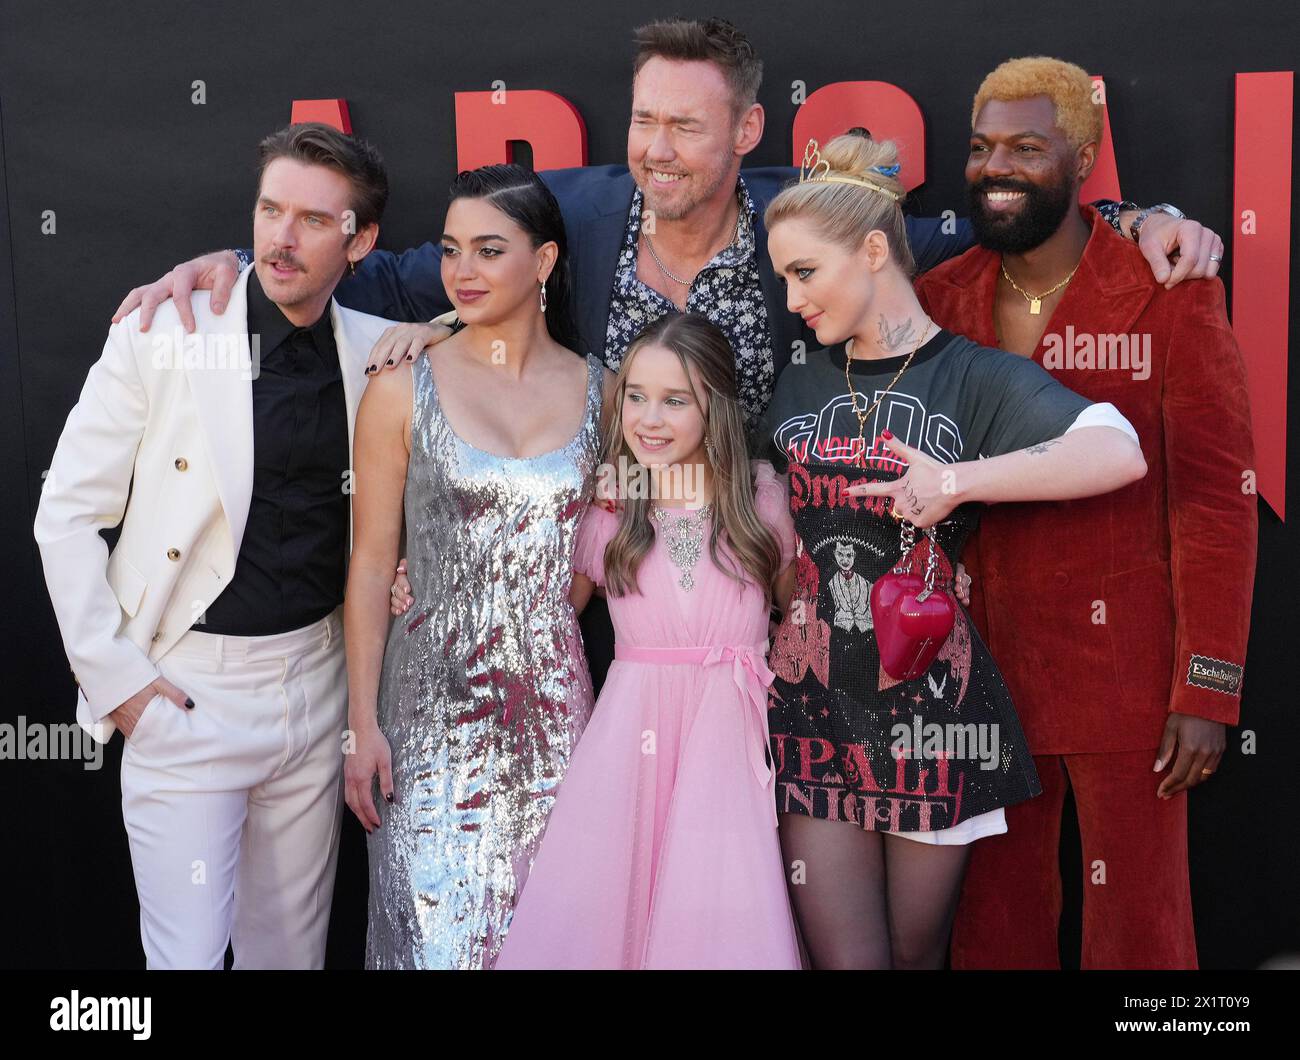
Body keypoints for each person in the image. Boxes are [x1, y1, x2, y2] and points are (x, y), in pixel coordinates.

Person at [108, 17, 1220, 696]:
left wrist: (1134, 215)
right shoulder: (578, 214)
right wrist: (240, 263)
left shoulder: (809, 223)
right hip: (602, 600)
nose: (656, 149)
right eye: (644, 121)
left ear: (745, 133)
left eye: (686, 128)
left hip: (773, 603)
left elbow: (976, 228)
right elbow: (396, 274)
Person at [757, 131, 1149, 969]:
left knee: (915, 957)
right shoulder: (797, 384)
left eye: (805, 273)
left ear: (871, 250)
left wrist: (958, 482)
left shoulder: (972, 376)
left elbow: (1117, 449)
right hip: (811, 712)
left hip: (931, 716)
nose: (792, 301)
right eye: (784, 277)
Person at [913, 56, 1257, 969]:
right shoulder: (934, 299)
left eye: (1027, 146)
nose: (997, 167)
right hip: (978, 675)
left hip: (1130, 678)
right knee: (995, 929)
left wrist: (1207, 687)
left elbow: (1217, 500)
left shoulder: (1169, 293)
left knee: (1141, 937)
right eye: (983, 147)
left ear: (1086, 155)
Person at [33, 123, 396, 968]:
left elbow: (489, 305)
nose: (281, 236)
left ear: (362, 239)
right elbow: (65, 512)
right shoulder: (163, 334)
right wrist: (115, 678)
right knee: (186, 959)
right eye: (271, 210)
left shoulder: (382, 352)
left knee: (290, 958)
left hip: (316, 692)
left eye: (313, 219)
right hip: (186, 691)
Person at [342, 164, 615, 969]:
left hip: (555, 722)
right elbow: (367, 565)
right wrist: (363, 725)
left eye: (489, 250)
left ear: (544, 261)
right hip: (425, 725)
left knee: (555, 942)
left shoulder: (606, 390)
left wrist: (528, 596)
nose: (462, 271)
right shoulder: (401, 387)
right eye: (452, 250)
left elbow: (597, 555)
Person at [495, 313, 802, 969]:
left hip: (729, 736)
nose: (648, 417)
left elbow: (801, 616)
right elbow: (545, 615)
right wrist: (419, 584)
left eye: (674, 399)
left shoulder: (759, 501)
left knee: (715, 912)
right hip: (632, 743)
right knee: (614, 911)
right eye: (635, 395)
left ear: (715, 405)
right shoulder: (611, 508)